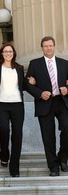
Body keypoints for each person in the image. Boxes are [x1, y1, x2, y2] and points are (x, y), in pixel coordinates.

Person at [25, 36, 68, 176]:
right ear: (42, 48)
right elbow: (26, 84)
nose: (48, 48)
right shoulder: (34, 64)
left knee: (67, 129)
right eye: (45, 46)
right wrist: (39, 93)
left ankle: (63, 158)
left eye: (50, 45)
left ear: (54, 46)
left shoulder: (64, 63)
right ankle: (53, 166)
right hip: (44, 103)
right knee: (48, 136)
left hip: (62, 102)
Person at [0, 43, 26, 177]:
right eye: (5, 51)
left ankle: (14, 167)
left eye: (10, 51)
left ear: (14, 53)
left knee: (17, 134)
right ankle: (4, 153)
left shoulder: (19, 68)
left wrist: (34, 84)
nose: (8, 53)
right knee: (4, 130)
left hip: (17, 104)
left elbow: (23, 85)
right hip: (1, 104)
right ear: (1, 54)